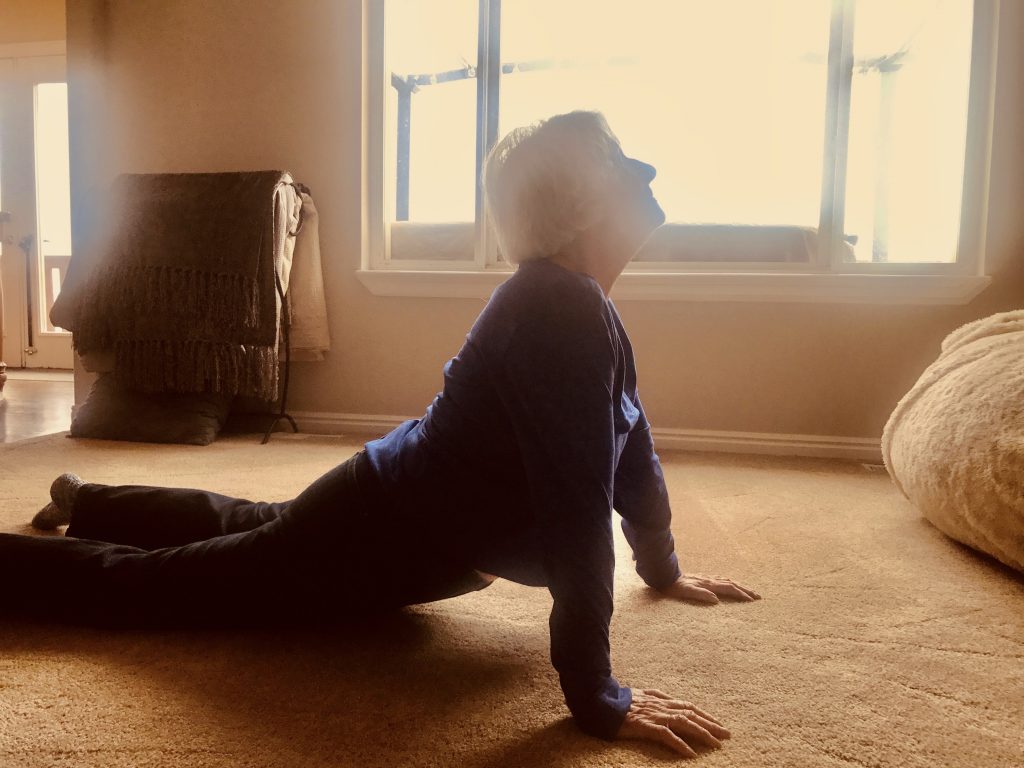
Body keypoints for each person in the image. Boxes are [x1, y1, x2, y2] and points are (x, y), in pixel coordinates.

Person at [2, 110, 759, 758]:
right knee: (175, 585)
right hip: (377, 530)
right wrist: (597, 693)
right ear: (587, 202)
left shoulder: (581, 304)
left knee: (257, 527)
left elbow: (631, 445)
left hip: (384, 507)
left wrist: (660, 569)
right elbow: (576, 510)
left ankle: (89, 496)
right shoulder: (557, 309)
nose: (648, 180)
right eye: (626, 169)